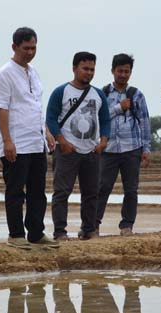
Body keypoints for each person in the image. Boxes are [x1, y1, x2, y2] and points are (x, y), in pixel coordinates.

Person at [0, 27, 58, 250]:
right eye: (26, 48)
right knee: (16, 190)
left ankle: (36, 233)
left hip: (36, 142)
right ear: (14, 47)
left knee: (38, 192)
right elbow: (1, 108)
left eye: (33, 48)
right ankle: (16, 234)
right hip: (16, 143)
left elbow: (36, 107)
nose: (30, 52)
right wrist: (7, 140)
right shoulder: (4, 74)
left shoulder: (34, 72)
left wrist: (46, 132)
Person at [46, 52, 111, 241]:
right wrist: (62, 141)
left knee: (91, 193)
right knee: (62, 192)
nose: (89, 73)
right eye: (85, 69)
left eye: (92, 69)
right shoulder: (61, 92)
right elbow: (50, 118)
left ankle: (89, 229)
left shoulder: (98, 94)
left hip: (91, 152)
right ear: (75, 68)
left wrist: (104, 141)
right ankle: (60, 232)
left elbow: (105, 120)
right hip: (67, 151)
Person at [96, 54, 152, 237]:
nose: (123, 75)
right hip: (109, 148)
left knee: (131, 189)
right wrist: (119, 108)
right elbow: (98, 119)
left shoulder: (137, 95)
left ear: (130, 73)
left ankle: (127, 225)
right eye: (120, 71)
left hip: (132, 148)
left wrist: (146, 148)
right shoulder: (102, 94)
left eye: (126, 71)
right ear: (112, 71)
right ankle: (93, 225)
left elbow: (144, 122)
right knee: (102, 187)